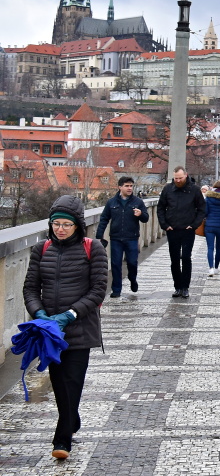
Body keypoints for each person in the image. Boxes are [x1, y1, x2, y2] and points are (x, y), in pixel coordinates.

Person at [23, 195, 108, 461]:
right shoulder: (41, 249)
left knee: (72, 381)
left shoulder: (93, 248)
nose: (60, 229)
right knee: (60, 384)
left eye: (66, 224)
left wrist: (69, 314)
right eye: (56, 224)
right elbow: (30, 288)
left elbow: (98, 290)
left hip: (80, 328)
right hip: (51, 333)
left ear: (77, 225)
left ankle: (62, 440)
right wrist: (39, 314)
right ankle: (72, 418)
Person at [95, 176, 150, 298]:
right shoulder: (111, 202)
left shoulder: (138, 202)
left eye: (131, 186)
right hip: (116, 238)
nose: (129, 188)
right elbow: (104, 219)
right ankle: (116, 289)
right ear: (120, 187)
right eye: (127, 186)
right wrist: (99, 235)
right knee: (115, 264)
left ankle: (132, 279)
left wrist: (141, 214)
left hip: (132, 238)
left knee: (132, 262)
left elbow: (146, 218)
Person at [157, 166, 206, 298]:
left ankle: (185, 287)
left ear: (186, 175)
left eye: (180, 178)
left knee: (186, 258)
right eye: (176, 178)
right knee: (174, 259)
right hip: (172, 229)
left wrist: (194, 225)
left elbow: (202, 209)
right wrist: (164, 225)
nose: (178, 181)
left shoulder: (194, 190)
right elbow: (160, 208)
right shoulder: (168, 189)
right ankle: (177, 287)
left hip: (188, 229)